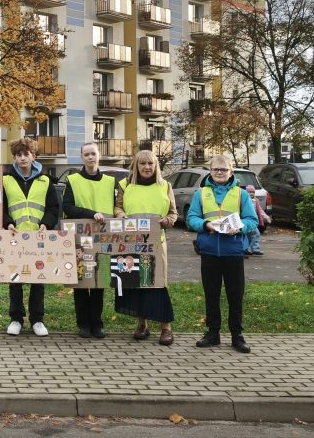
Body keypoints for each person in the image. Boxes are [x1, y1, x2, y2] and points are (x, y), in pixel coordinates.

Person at [187, 154, 259, 354]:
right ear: (210, 171)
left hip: (233, 252)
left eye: (223, 169)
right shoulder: (201, 194)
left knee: (235, 295)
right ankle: (213, 333)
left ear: (231, 171)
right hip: (209, 251)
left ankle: (237, 336)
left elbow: (252, 221)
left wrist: (240, 228)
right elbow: (191, 217)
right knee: (211, 294)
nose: (219, 173)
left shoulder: (241, 194)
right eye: (216, 169)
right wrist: (204, 224)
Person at [113, 150, 178, 345]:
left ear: (156, 166)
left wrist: (167, 220)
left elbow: (174, 214)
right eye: (142, 164)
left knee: (158, 284)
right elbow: (118, 207)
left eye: (150, 164)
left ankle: (166, 328)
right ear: (136, 166)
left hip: (156, 243)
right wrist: (121, 216)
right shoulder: (125, 185)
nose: (147, 167)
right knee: (136, 282)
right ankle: (142, 324)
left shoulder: (165, 186)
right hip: (132, 242)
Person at [1, 137, 59, 337]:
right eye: (18, 155)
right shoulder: (6, 180)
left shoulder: (45, 181)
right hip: (14, 236)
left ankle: (37, 320)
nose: (22, 158)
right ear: (14, 158)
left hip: (38, 237)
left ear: (34, 156)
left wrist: (46, 224)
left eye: (26, 154)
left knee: (38, 280)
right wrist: (7, 222)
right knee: (15, 279)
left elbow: (53, 208)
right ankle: (16, 318)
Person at [60, 142, 115, 339]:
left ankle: (97, 324)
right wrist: (93, 214)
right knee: (82, 282)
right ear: (82, 157)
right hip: (79, 237)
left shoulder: (110, 181)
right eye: (87, 154)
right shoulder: (73, 180)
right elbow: (68, 207)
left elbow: (117, 207)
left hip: (103, 237)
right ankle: (83, 324)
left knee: (99, 282)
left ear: (99, 155)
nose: (91, 157)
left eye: (93, 153)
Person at [245, 185, 268, 256]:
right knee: (255, 234)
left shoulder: (256, 201)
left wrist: (266, 217)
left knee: (250, 235)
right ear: (246, 192)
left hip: (253, 221)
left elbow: (260, 210)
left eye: (253, 192)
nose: (251, 193)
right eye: (249, 192)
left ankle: (247, 249)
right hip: (246, 220)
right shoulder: (245, 200)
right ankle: (255, 249)